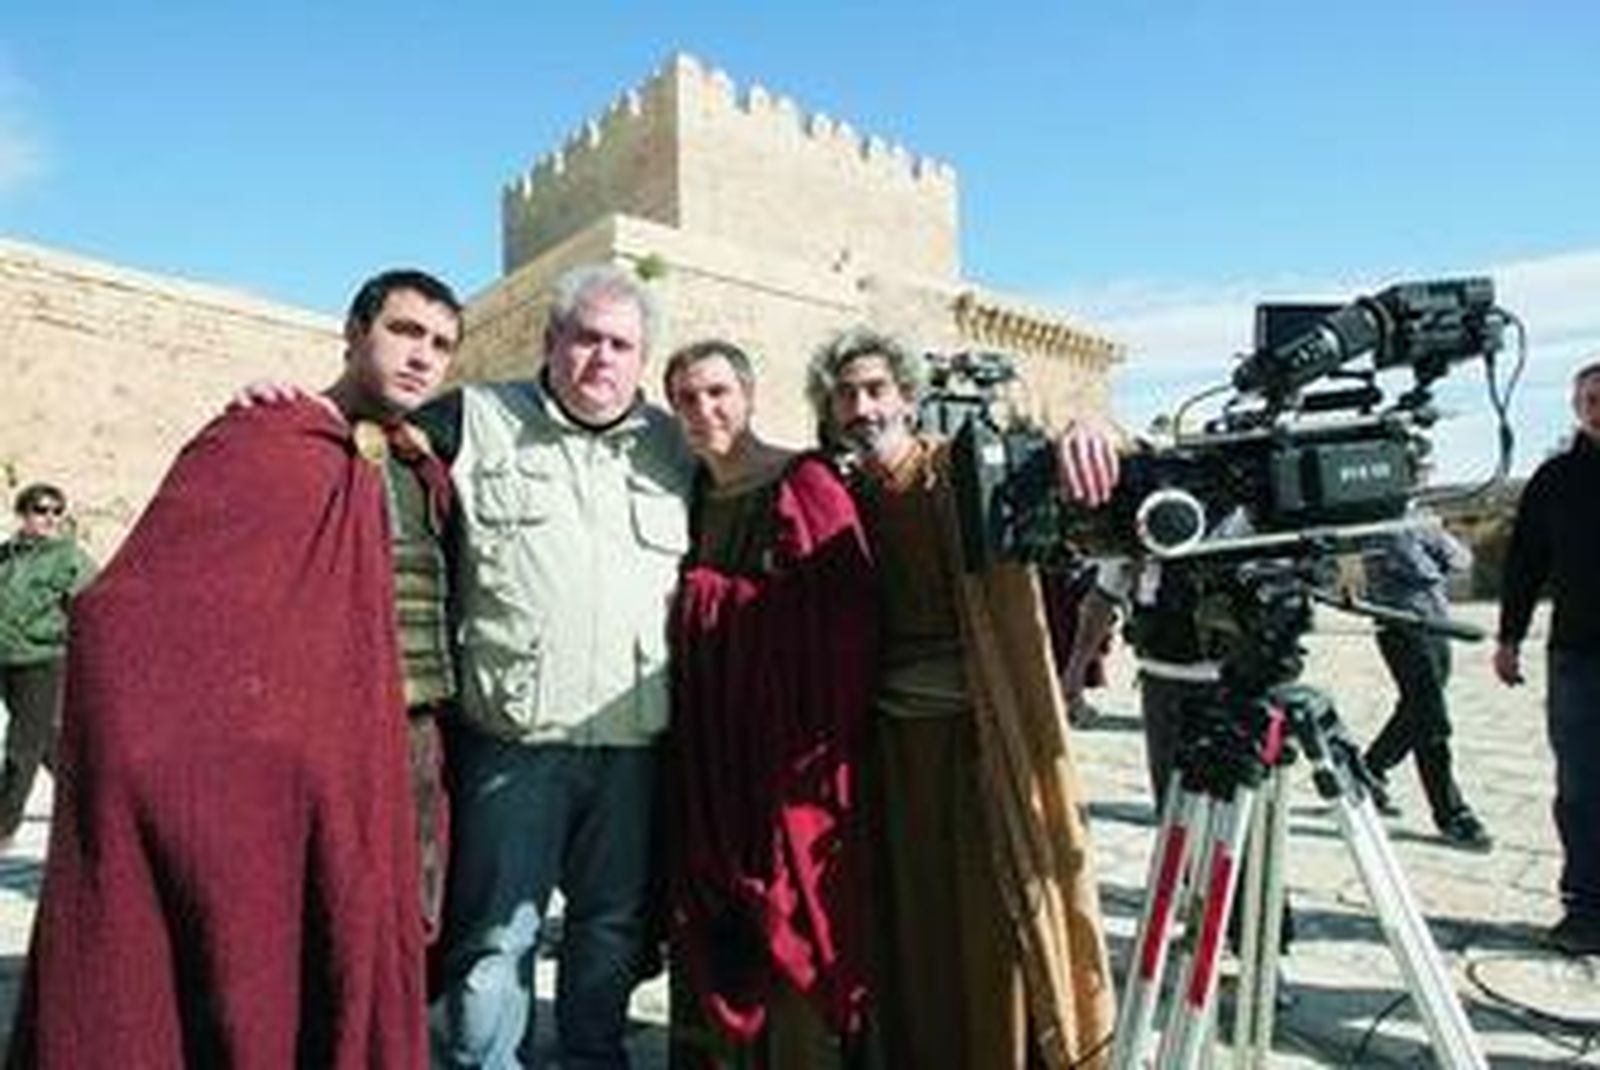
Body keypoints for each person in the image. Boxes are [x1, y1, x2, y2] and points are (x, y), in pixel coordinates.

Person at [7, 268, 465, 1068]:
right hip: (300, 764)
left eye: (442, 344)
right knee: (270, 958)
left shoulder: (422, 463)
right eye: (405, 332)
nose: (423, 356)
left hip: (408, 745)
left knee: (384, 948)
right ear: (354, 333)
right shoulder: (266, 437)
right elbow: (133, 605)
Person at [805, 328, 1115, 1070]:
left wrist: (1091, 428)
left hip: (983, 739)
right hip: (889, 747)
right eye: (846, 394)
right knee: (913, 921)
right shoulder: (836, 495)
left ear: (908, 398)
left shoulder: (965, 471)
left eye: (876, 390)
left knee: (993, 916)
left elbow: (1109, 470)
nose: (861, 407)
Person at [425, 263, 694, 1068]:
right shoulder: (474, 418)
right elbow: (365, 432)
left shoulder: (676, 447)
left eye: (621, 345)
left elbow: (776, 473)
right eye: (586, 339)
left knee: (611, 927)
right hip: (513, 746)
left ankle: (592, 1059)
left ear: (641, 360)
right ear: (551, 342)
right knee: (496, 934)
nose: (601, 359)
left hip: (631, 747)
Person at [661, 340, 878, 1068]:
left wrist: (705, 602)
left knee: (792, 919)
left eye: (718, 392)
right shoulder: (689, 493)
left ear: (749, 397)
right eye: (686, 399)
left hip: (784, 757)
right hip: (706, 757)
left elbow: (844, 626)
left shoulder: (804, 481)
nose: (704, 410)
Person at [1495, 357, 1600, 956]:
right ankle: (1585, 906)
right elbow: (1524, 563)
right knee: (1582, 786)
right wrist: (1509, 637)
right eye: (1586, 398)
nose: (1594, 406)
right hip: (1579, 654)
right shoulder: (1554, 478)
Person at [1362, 516, 1490, 850]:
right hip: (1401, 626)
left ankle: (1369, 769)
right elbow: (1417, 566)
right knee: (1432, 718)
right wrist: (1438, 555)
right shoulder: (1383, 519)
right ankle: (1451, 812)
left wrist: (1438, 556)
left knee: (1417, 710)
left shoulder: (1422, 514)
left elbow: (1463, 559)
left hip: (1437, 624)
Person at [0, 483, 96, 843]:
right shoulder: (6, 556)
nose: (50, 518)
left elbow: (93, 603)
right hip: (6, 659)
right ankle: (89, 800)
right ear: (22, 515)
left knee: (20, 748)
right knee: (45, 744)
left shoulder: (69, 558)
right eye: (41, 510)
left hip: (43, 662)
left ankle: (2, 828)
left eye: (57, 511)